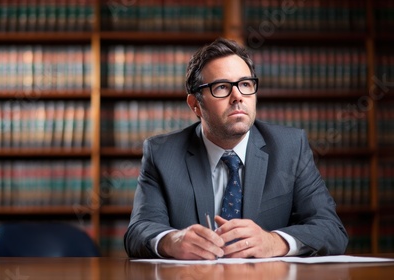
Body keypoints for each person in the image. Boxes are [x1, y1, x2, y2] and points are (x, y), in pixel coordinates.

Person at [124, 38, 348, 260]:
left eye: (245, 84)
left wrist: (275, 242)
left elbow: (331, 230)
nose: (238, 96)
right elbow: (138, 231)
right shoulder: (162, 154)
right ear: (195, 105)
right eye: (221, 87)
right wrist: (170, 241)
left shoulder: (290, 147)